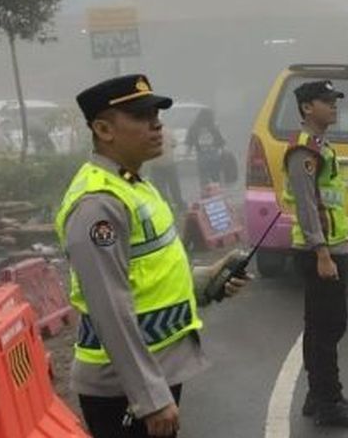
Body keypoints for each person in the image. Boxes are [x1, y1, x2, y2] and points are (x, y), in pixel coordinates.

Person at [55, 74, 250, 438]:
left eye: (156, 114)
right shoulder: (98, 204)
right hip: (122, 389)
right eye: (142, 116)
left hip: (152, 373)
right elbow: (109, 308)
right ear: (103, 129)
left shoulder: (133, 185)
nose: (157, 124)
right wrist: (149, 398)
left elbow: (148, 274)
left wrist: (207, 281)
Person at [282, 80, 348, 428]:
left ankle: (317, 394)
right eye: (326, 101)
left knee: (321, 327)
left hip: (331, 245)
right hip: (319, 250)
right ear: (307, 107)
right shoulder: (305, 150)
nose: (334, 106)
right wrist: (322, 252)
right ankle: (329, 402)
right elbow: (307, 206)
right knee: (329, 326)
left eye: (335, 100)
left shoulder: (321, 145)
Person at [184, 108, 226, 188]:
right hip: (214, 155)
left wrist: (186, 156)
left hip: (201, 156)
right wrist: (223, 152)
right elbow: (221, 142)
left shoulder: (194, 128)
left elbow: (189, 143)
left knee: (203, 178)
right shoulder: (213, 127)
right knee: (215, 177)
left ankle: (205, 195)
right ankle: (216, 195)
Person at [148, 126, 185, 214]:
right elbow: (174, 144)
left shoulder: (148, 133)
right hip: (169, 163)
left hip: (156, 165)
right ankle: (179, 204)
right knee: (174, 186)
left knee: (160, 187)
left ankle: (167, 206)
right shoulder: (168, 131)